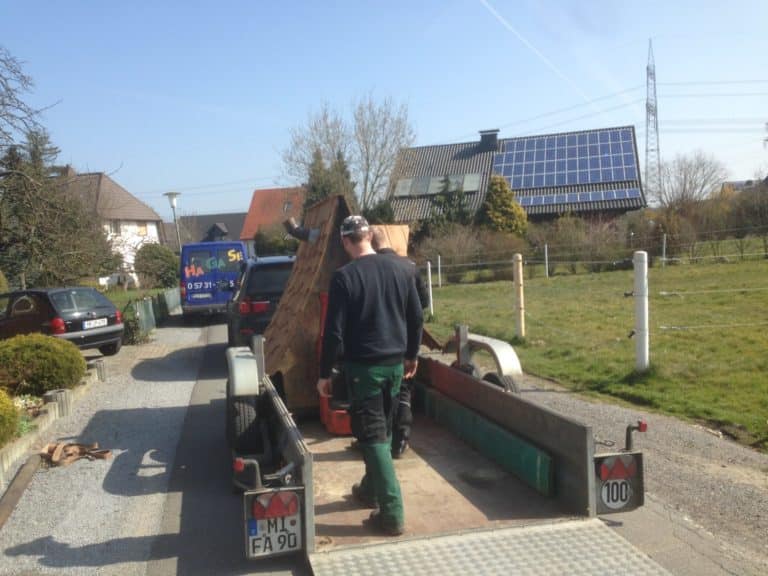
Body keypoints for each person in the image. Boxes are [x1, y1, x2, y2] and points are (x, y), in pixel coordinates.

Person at [316, 215, 423, 536]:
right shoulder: (403, 269)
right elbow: (416, 316)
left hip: (365, 369)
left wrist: (325, 374)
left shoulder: (344, 277)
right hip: (395, 366)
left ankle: (392, 514)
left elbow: (333, 333)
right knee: (384, 430)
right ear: (369, 236)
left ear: (347, 242)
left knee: (374, 437)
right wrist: (412, 355)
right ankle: (370, 490)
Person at [370, 226, 429, 459]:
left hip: (383, 340)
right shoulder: (409, 267)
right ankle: (402, 439)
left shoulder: (368, 268)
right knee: (403, 391)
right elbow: (422, 303)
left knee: (383, 394)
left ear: (371, 244)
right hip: (406, 338)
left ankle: (381, 440)